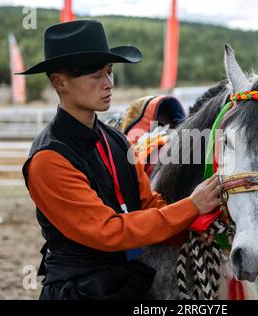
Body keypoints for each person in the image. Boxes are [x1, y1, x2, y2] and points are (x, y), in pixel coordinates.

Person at [18, 19, 221, 300]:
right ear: (59, 82)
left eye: (110, 72)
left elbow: (149, 204)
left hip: (126, 284)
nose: (108, 84)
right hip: (79, 291)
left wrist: (192, 228)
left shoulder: (116, 139)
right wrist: (190, 207)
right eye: (95, 76)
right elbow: (108, 231)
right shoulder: (49, 159)